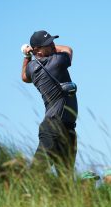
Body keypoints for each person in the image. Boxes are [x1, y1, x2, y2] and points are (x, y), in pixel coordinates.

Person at [21, 30, 78, 180]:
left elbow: (24, 78)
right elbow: (68, 49)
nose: (52, 45)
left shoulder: (32, 67)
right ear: (38, 49)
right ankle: (20, 196)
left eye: (52, 41)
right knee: (37, 172)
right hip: (54, 127)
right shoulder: (57, 61)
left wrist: (27, 56)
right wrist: (36, 51)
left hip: (67, 128)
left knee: (66, 179)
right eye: (48, 44)